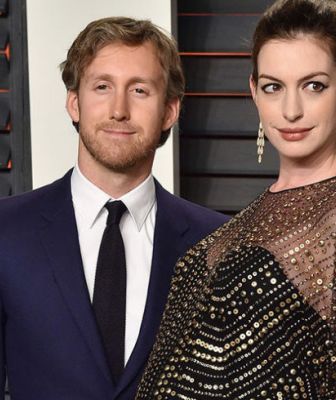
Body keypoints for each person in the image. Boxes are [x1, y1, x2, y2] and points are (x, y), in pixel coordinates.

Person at [135, 1, 336, 399]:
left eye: (314, 86)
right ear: (254, 92)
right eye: (274, 87)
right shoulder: (262, 207)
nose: (291, 111)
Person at [0, 17, 228, 400]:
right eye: (102, 87)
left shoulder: (217, 243)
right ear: (75, 103)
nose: (119, 110)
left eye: (139, 90)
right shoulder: (7, 231)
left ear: (170, 111)